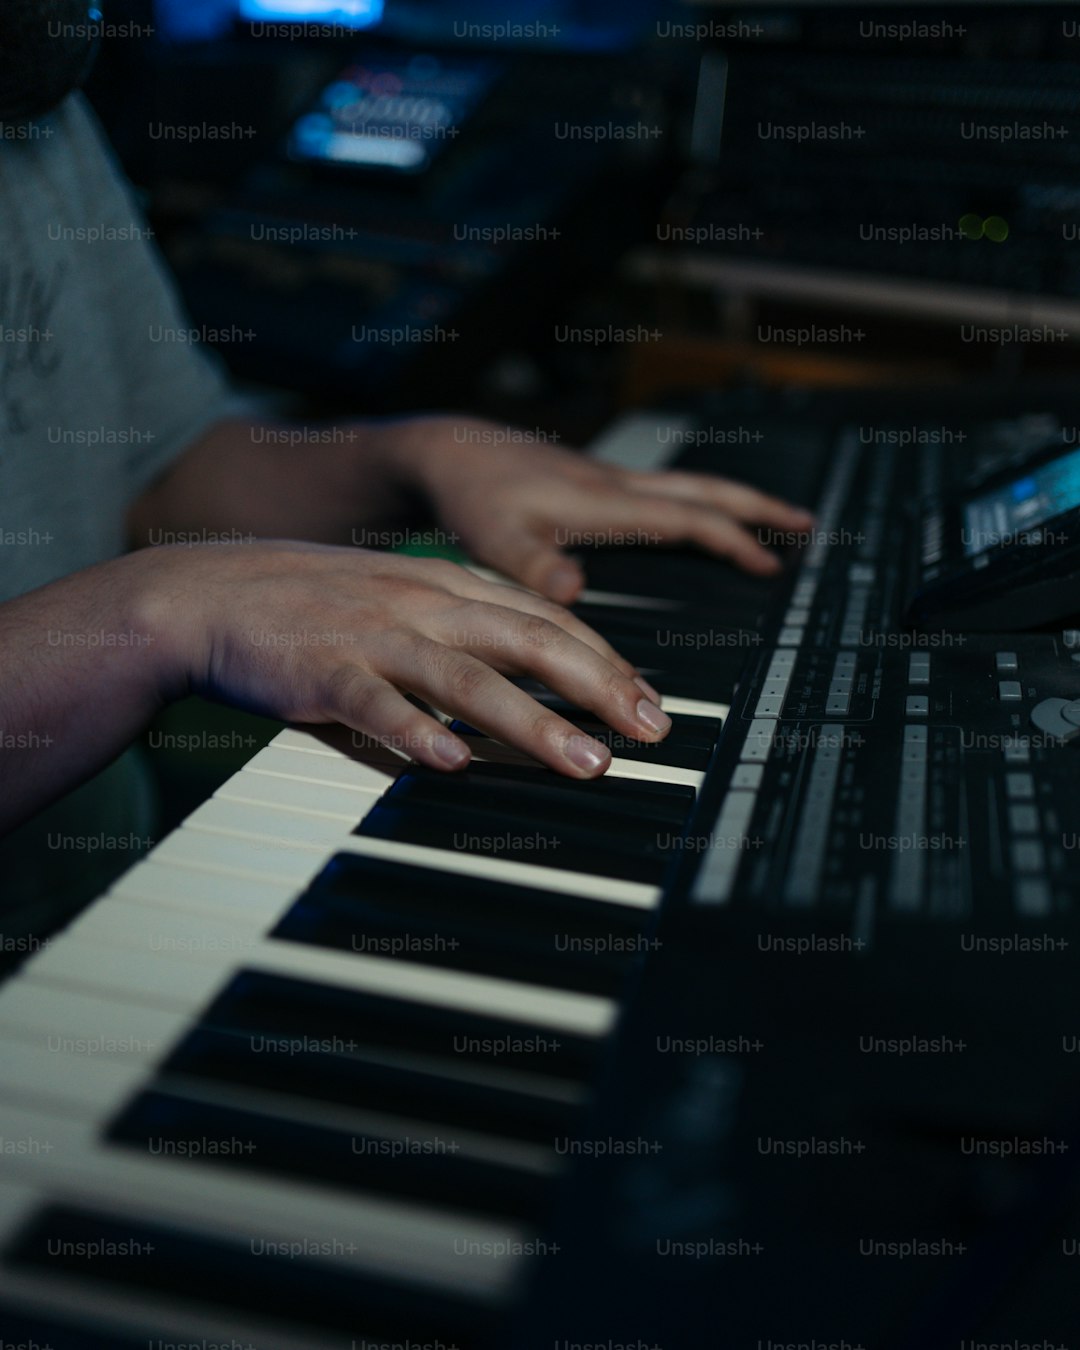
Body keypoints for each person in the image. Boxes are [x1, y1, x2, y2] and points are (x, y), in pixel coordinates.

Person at [0, 2, 811, 915]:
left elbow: (155, 471)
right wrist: (148, 615)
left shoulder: (32, 71)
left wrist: (413, 454)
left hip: (91, 877)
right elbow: (156, 583)